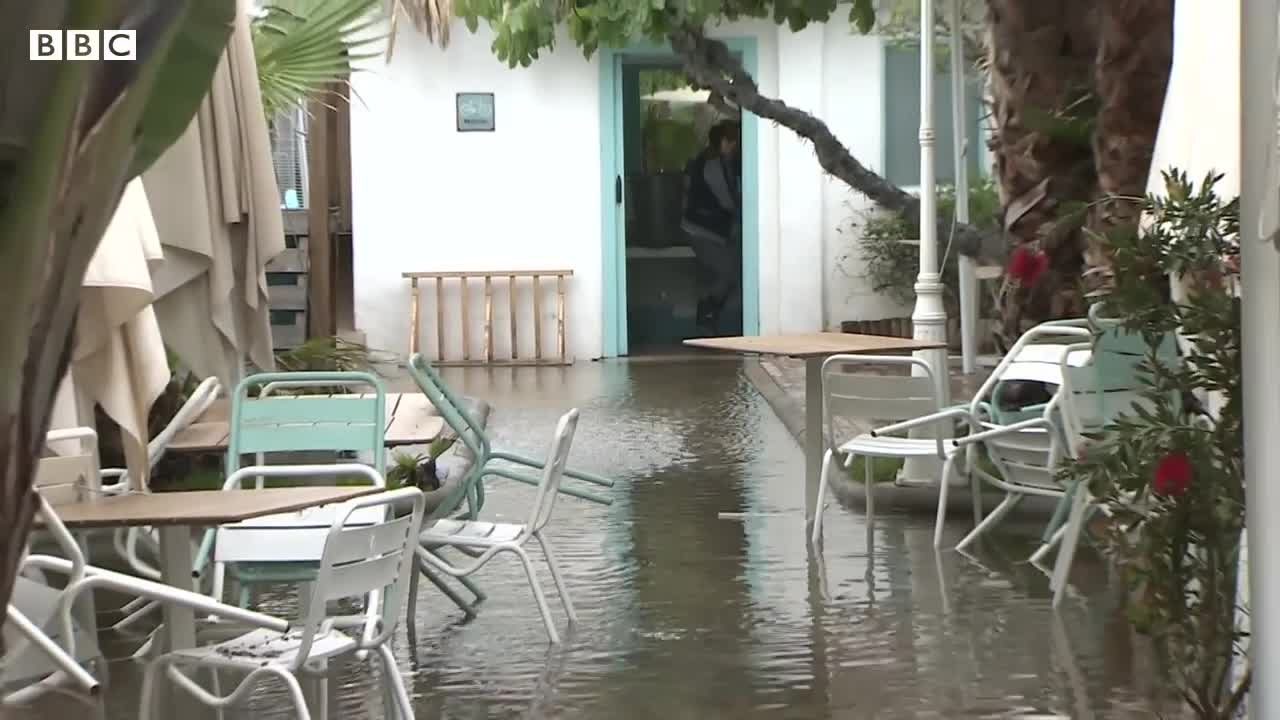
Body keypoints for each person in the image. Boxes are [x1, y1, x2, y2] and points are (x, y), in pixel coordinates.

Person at [681, 120, 741, 330]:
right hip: (703, 230)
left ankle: (708, 314)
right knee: (730, 272)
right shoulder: (713, 166)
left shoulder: (711, 162)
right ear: (722, 142)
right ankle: (706, 313)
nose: (735, 146)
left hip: (705, 228)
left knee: (729, 271)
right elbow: (727, 201)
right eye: (732, 141)